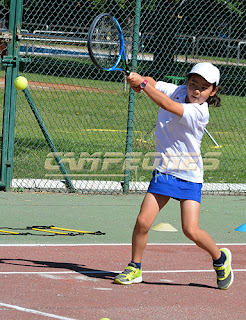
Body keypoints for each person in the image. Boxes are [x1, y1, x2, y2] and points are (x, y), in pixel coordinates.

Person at [114, 62, 233, 290]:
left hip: (189, 175)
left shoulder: (199, 111)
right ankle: (134, 267)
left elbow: (165, 103)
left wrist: (144, 84)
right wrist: (140, 81)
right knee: (142, 222)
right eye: (193, 83)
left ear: (213, 91)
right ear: (187, 82)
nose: (196, 90)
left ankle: (220, 259)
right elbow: (156, 85)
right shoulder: (179, 90)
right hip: (165, 171)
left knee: (191, 230)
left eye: (204, 87)